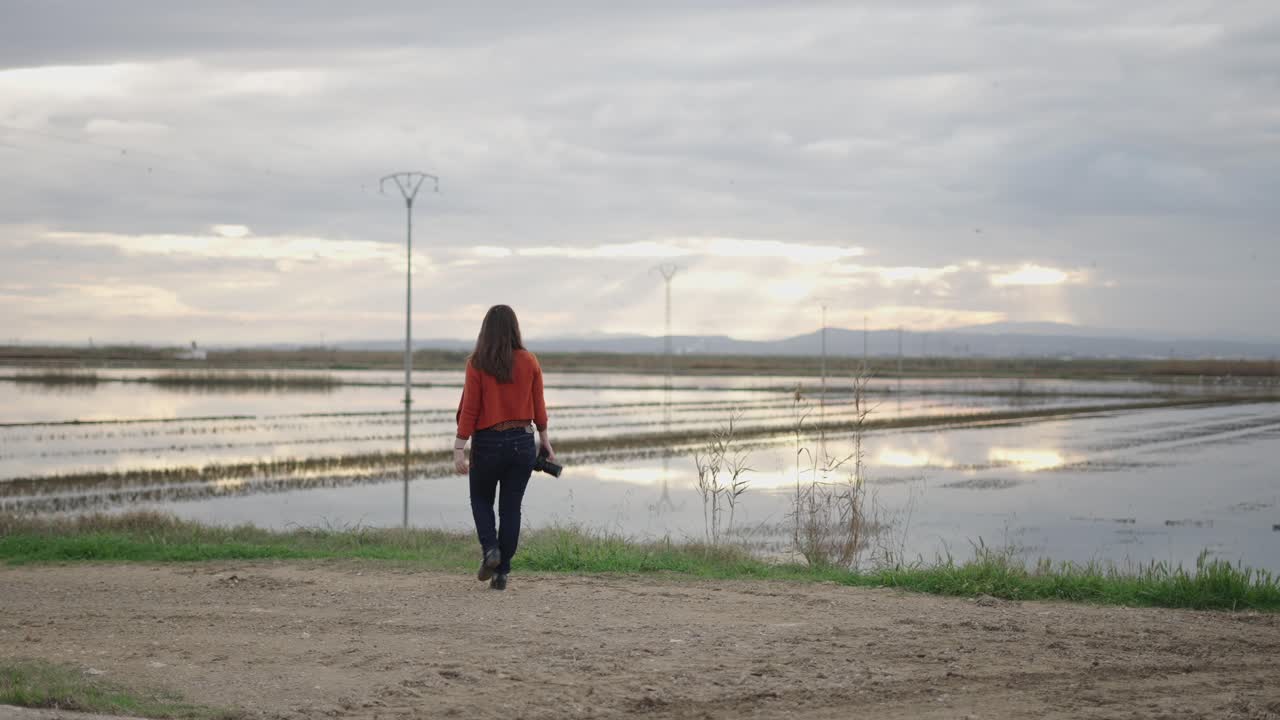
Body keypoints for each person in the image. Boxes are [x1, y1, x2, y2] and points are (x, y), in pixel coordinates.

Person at [454, 305, 553, 590]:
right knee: (511, 509)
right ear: (514, 328)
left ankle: (491, 551)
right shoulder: (529, 361)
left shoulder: (477, 363)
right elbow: (539, 406)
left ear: (485, 330)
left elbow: (470, 410)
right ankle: (501, 573)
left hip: (487, 442)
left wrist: (459, 448)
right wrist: (544, 440)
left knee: (481, 500)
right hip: (522, 442)